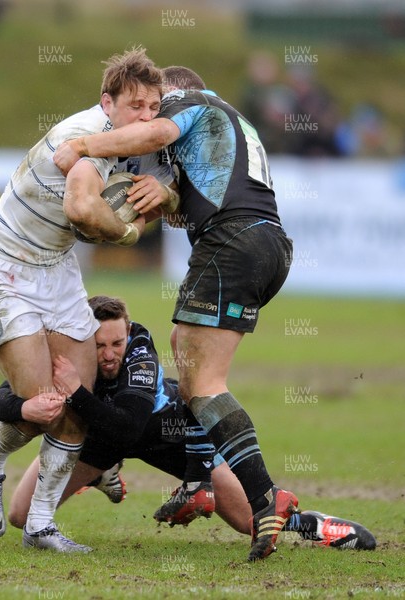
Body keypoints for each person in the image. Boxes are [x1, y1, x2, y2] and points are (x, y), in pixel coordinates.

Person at [53, 65, 301, 561]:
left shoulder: (192, 104)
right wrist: (164, 196)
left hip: (231, 242)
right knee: (190, 370)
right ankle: (197, 480)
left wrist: (82, 146)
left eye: (156, 101)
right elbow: (187, 203)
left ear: (174, 93)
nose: (152, 111)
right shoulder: (231, 125)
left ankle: (265, 494)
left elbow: (157, 131)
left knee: (204, 381)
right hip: (268, 245)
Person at [0, 48, 167, 553]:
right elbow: (81, 210)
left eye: (153, 107)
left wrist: (165, 194)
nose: (145, 117)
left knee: (78, 397)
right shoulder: (84, 143)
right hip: (3, 266)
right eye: (134, 106)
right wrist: (128, 234)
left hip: (54, 269)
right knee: (46, 405)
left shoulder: (127, 140)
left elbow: (170, 189)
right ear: (107, 103)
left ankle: (41, 524)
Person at [0, 295, 376, 552]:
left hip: (165, 432)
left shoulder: (140, 346)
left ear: (128, 332)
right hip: (100, 439)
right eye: (98, 345)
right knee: (22, 516)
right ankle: (100, 471)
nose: (108, 355)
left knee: (247, 521)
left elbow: (128, 426)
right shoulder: (70, 348)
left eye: (116, 343)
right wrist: (27, 408)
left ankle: (318, 527)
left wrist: (75, 392)